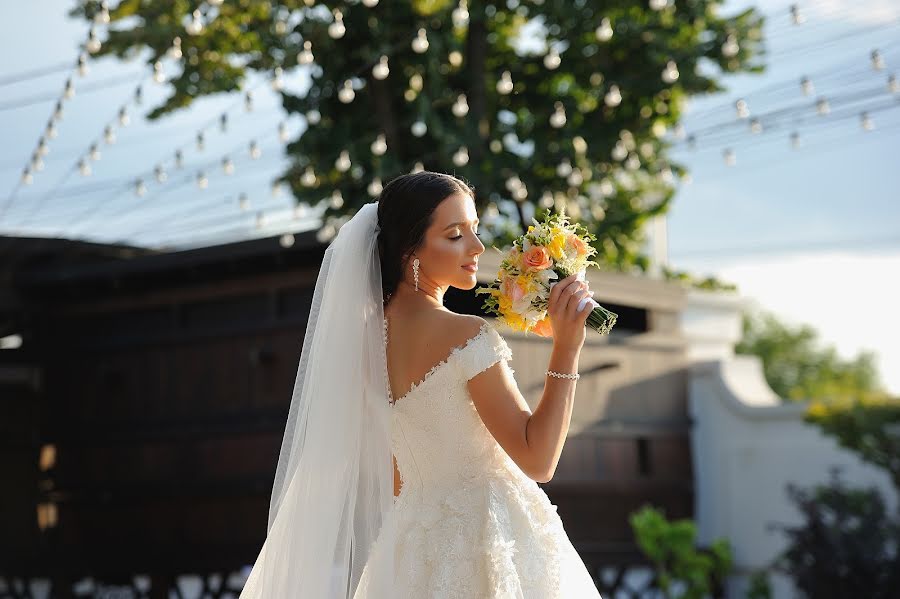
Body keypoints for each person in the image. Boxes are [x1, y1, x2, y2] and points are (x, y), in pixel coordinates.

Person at [239, 171, 602, 598]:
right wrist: (567, 348)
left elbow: (394, 476)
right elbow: (538, 459)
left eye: (474, 231)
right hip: (491, 538)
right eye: (454, 235)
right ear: (412, 251)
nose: (478, 247)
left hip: (410, 548)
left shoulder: (364, 347)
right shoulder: (466, 336)